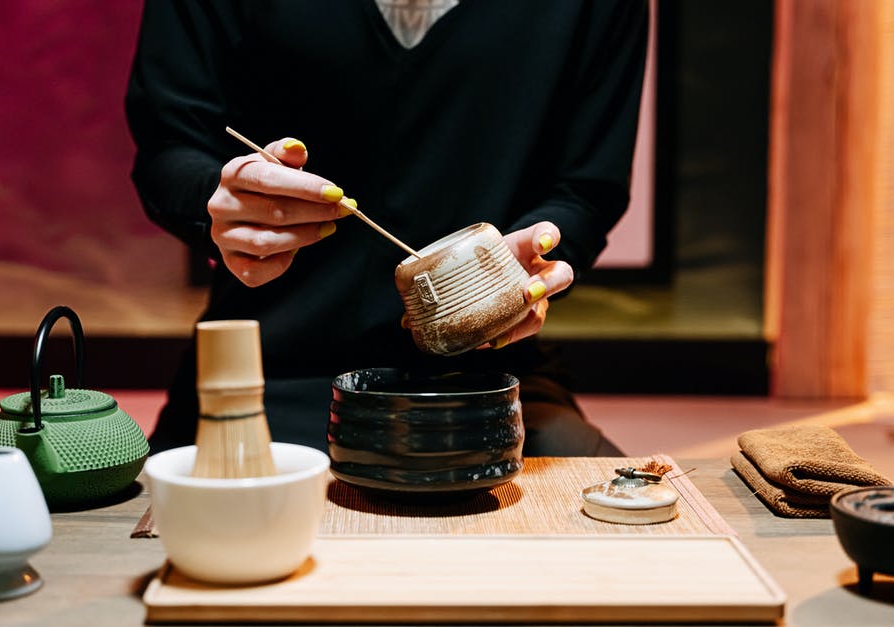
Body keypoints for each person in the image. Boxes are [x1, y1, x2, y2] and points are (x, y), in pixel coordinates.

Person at [125, 0, 649, 456]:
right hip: (267, 361)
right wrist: (223, 200)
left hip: (492, 374)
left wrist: (532, 257)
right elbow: (169, 145)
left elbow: (586, 186)